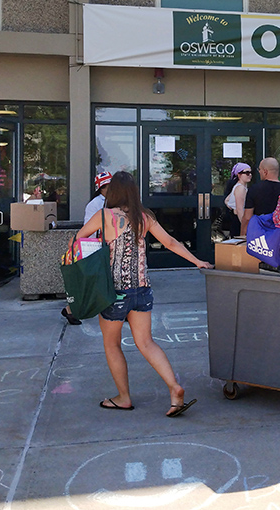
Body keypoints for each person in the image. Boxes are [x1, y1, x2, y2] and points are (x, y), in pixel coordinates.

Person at [73, 171, 212, 417]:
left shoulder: (104, 216)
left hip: (112, 292)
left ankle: (124, 397)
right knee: (146, 343)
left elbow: (79, 240)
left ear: (113, 192)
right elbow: (170, 242)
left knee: (112, 344)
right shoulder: (144, 217)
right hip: (142, 289)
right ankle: (174, 387)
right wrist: (197, 260)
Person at [61, 171, 113, 326]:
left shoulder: (111, 202)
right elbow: (88, 229)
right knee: (93, 283)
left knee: (106, 281)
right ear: (100, 188)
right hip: (97, 247)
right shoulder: (96, 204)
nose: (109, 188)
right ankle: (70, 310)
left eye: (110, 185)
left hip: (107, 246)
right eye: (105, 186)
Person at [241, 157, 280, 235]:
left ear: (265, 171)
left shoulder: (255, 189)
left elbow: (247, 217)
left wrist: (243, 235)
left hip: (260, 234)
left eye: (259, 169)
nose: (259, 172)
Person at [224, 163, 252, 237]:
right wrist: (244, 228)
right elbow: (240, 209)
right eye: (247, 173)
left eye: (250, 172)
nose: (250, 175)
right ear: (239, 175)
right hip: (239, 221)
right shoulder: (240, 188)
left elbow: (227, 200)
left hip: (236, 220)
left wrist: (232, 208)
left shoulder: (238, 186)